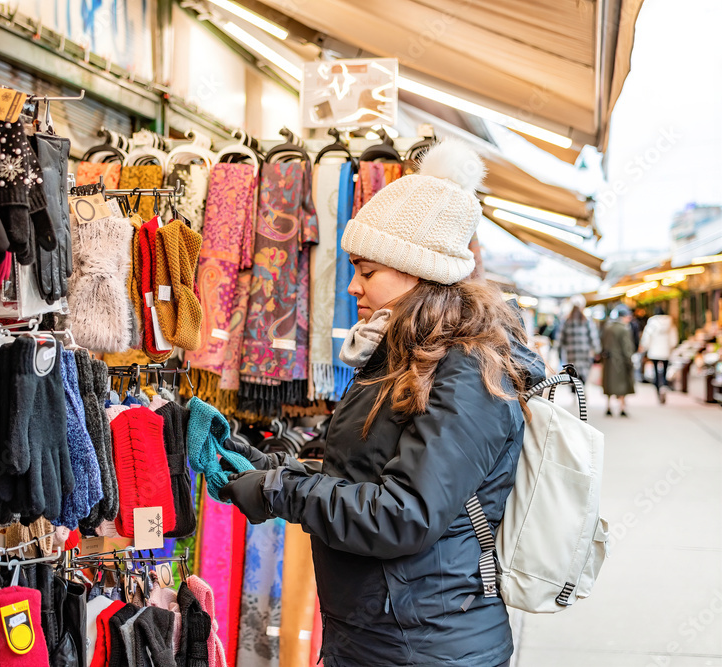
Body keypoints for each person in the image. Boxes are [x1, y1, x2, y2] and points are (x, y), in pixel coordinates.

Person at [219, 140, 545, 667]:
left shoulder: (466, 370)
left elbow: (405, 514)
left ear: (416, 270)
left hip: (425, 644)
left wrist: (285, 491)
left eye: (366, 271)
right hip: (380, 634)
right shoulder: (404, 352)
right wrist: (281, 467)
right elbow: (369, 471)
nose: (352, 286)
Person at [601, 305, 636, 416]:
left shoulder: (607, 328)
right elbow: (627, 347)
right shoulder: (624, 329)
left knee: (609, 384)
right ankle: (622, 407)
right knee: (622, 384)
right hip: (620, 361)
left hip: (608, 360)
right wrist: (629, 360)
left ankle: (608, 406)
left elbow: (602, 343)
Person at [639, 306, 678, 403]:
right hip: (666, 350)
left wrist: (644, 346)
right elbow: (674, 338)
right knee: (664, 370)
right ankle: (664, 385)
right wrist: (672, 346)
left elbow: (647, 336)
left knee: (656, 371)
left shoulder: (652, 322)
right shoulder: (670, 322)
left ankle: (657, 387)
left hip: (654, 350)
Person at [559, 295, 600, 384]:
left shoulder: (566, 320)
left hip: (571, 353)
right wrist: (597, 350)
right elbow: (593, 336)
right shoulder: (586, 320)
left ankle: (575, 391)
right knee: (583, 373)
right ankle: (582, 388)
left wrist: (560, 351)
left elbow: (560, 338)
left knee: (573, 373)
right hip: (584, 352)